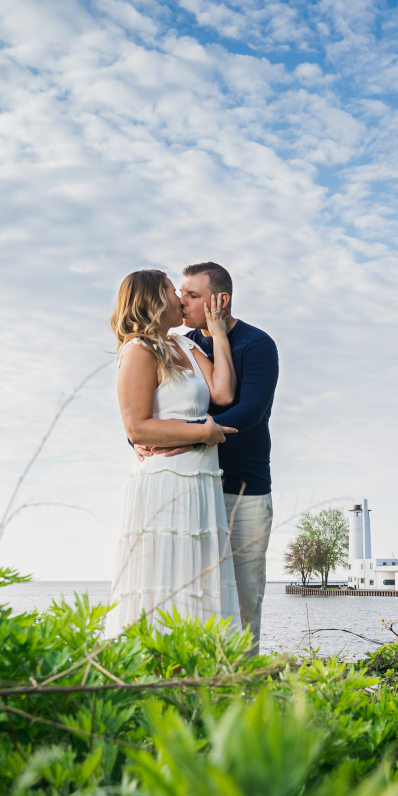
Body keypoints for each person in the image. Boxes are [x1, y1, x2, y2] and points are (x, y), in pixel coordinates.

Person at [138, 262, 279, 652]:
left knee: (245, 597)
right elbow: (150, 404)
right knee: (197, 597)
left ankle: (245, 684)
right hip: (192, 490)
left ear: (221, 300)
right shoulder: (179, 342)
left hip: (242, 490)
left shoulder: (256, 344)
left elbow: (249, 410)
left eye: (193, 295)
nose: (181, 300)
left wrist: (192, 434)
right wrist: (136, 440)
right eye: (180, 292)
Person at [104, 268, 240, 638]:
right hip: (164, 484)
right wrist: (201, 432)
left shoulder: (188, 345)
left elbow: (223, 393)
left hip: (202, 483)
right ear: (152, 299)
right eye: (171, 290)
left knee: (201, 586)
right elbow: (137, 427)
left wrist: (219, 334)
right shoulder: (138, 350)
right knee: (161, 584)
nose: (180, 298)